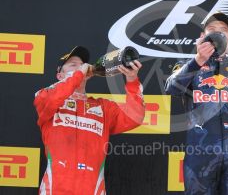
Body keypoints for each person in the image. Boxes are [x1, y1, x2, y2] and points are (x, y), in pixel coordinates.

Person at [165, 12, 228, 195]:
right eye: (212, 30)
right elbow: (171, 88)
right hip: (200, 152)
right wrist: (198, 60)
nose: (218, 34)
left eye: (223, 31)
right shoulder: (188, 64)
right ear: (202, 37)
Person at [34, 46, 145, 195]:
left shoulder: (103, 107)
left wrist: (132, 80)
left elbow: (135, 117)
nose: (81, 67)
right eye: (73, 64)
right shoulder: (45, 97)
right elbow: (51, 98)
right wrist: (78, 74)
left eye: (83, 64)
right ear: (60, 75)